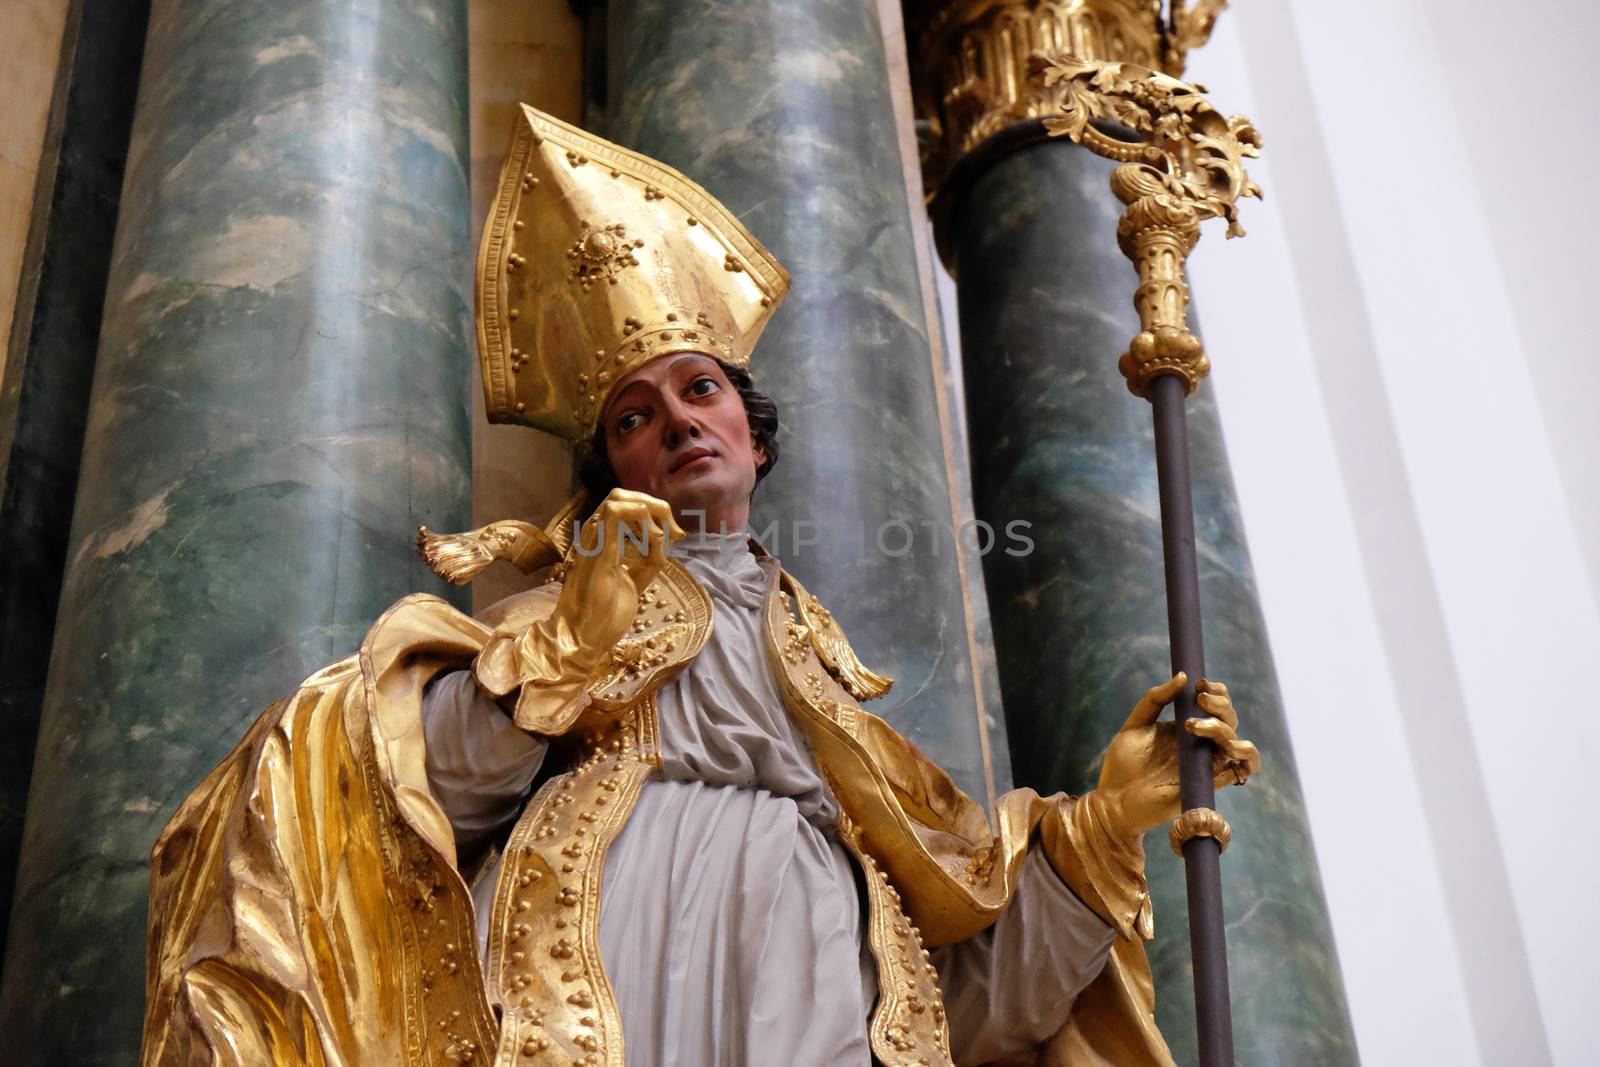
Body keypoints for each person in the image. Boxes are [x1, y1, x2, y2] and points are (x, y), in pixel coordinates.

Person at [141, 106, 1259, 1067]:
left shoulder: (820, 681)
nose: (675, 418)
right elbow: (418, 790)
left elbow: (955, 1001)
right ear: (615, 467)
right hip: (605, 941)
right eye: (634, 417)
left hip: (807, 948)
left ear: (753, 435)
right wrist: (567, 653)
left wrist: (1109, 821)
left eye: (699, 389)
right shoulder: (577, 607)